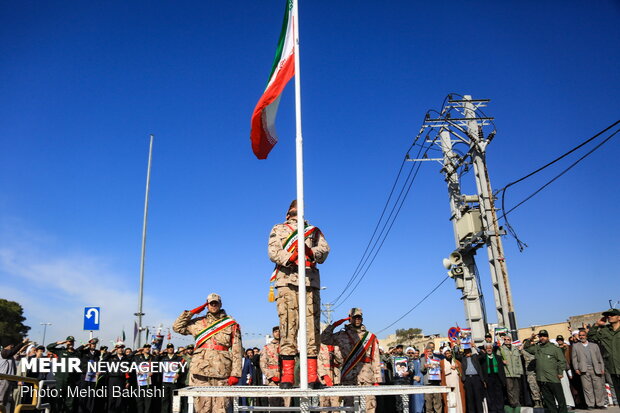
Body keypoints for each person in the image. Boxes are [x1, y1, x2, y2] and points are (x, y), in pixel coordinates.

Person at [268, 199, 330, 388]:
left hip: (309, 282)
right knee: (287, 325)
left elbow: (325, 250)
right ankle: (287, 376)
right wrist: (291, 257)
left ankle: (311, 376)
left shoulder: (313, 231)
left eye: (299, 209)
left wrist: (310, 253)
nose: (296, 212)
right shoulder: (279, 229)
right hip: (287, 282)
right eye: (293, 210)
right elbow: (273, 251)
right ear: (287, 214)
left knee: (311, 328)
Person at [172, 293, 243, 413]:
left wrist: (235, 373)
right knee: (202, 408)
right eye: (211, 303)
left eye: (216, 303)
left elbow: (237, 349)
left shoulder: (230, 323)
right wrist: (191, 313)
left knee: (221, 408)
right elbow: (177, 327)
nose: (213, 305)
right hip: (200, 371)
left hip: (222, 372)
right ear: (207, 305)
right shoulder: (197, 322)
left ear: (220, 304)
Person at [321, 308, 380, 413]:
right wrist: (334, 325)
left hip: (366, 373)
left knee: (370, 404)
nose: (357, 319)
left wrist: (377, 379)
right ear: (350, 319)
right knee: (349, 405)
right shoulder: (341, 335)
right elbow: (323, 339)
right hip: (349, 372)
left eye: (359, 317)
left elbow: (375, 358)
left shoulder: (370, 336)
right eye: (354, 317)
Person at [524, 330, 568, 413]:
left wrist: (560, 372)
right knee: (549, 400)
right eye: (540, 336)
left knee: (560, 399)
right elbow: (526, 348)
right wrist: (530, 339)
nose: (542, 338)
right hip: (542, 378)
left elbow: (561, 361)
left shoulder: (554, 348)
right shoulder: (537, 348)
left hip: (553, 377)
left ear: (547, 337)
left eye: (544, 336)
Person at [587, 308, 620, 398]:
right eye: (607, 315)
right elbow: (590, 337)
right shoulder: (604, 331)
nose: (609, 316)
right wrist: (597, 325)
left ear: (619, 317)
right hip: (613, 369)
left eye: (612, 315)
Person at [572, 330, 606, 409]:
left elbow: (599, 358)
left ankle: (600, 404)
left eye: (583, 335)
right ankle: (590, 404)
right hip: (584, 370)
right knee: (587, 388)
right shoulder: (576, 346)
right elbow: (574, 358)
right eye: (580, 335)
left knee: (598, 387)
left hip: (595, 369)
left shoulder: (594, 345)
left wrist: (602, 368)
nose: (581, 337)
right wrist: (576, 368)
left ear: (586, 336)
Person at [47, 336, 81, 413]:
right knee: (57, 400)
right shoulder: (61, 351)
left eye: (72, 342)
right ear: (66, 342)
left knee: (69, 402)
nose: (70, 343)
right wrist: (58, 343)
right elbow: (49, 347)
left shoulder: (77, 353)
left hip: (71, 381)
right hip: (60, 380)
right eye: (69, 341)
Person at [260, 326, 290, 410]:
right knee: (274, 404)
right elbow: (263, 363)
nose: (278, 333)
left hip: (285, 377)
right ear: (273, 333)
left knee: (286, 404)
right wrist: (270, 376)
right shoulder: (266, 347)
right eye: (276, 331)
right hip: (272, 380)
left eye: (279, 331)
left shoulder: (287, 347)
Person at [0, 338, 30, 411]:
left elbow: (16, 354)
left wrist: (23, 347)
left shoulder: (9, 355)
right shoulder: (4, 352)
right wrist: (22, 343)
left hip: (8, 380)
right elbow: (13, 352)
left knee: (4, 401)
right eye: (11, 345)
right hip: (4, 379)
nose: (12, 346)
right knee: (1, 400)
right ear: (7, 345)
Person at [498, 334, 524, 411]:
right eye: (505, 339)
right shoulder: (501, 349)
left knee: (517, 388)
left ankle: (517, 401)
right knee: (510, 389)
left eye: (508, 339)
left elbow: (518, 361)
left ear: (511, 340)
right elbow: (497, 359)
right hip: (507, 372)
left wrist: (520, 371)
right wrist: (502, 361)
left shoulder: (515, 349)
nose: (506, 341)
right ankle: (513, 403)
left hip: (516, 372)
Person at [76, 337, 101, 413]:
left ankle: (89, 410)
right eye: (92, 343)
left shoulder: (97, 353)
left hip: (93, 376)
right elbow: (77, 351)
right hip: (84, 375)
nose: (93, 345)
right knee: (83, 394)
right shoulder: (84, 352)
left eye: (94, 344)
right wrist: (84, 345)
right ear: (89, 344)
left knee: (91, 395)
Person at [101, 341, 127, 413]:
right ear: (116, 349)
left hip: (121, 379)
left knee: (120, 398)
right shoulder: (111, 357)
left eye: (122, 348)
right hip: (112, 379)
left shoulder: (126, 358)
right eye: (118, 348)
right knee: (112, 398)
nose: (120, 349)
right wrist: (110, 352)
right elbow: (103, 360)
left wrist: (127, 381)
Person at [480, 343, 506, 413]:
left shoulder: (498, 357)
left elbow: (501, 370)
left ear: (492, 349)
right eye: (487, 348)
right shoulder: (483, 358)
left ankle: (500, 409)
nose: (489, 349)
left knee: (499, 394)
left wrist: (503, 380)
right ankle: (493, 410)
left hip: (497, 378)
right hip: (488, 378)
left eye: (490, 348)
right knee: (491, 395)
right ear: (485, 350)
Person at [457, 347, 484, 413]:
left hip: (476, 378)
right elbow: (456, 355)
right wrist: (457, 345)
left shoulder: (475, 357)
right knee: (469, 398)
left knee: (478, 397)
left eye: (469, 351)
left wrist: (475, 346)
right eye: (466, 352)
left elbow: (483, 355)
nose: (468, 353)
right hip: (467, 379)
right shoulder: (463, 358)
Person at [318, 343, 342, 412]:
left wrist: (334, 354)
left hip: (335, 380)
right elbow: (318, 363)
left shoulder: (336, 346)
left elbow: (341, 361)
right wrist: (325, 376)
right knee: (324, 406)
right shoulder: (320, 347)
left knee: (336, 406)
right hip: (324, 382)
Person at [159, 343, 183, 413]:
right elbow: (158, 367)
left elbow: (182, 367)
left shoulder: (178, 358)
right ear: (167, 349)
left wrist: (179, 373)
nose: (170, 349)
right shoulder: (163, 358)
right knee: (164, 399)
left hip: (174, 381)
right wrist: (160, 353)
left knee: (174, 399)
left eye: (171, 347)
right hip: (165, 381)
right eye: (169, 347)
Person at [440, 347, 465, 413]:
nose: (449, 354)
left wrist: (458, 367)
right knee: (449, 399)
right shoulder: (442, 362)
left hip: (457, 384)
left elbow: (461, 373)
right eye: (447, 353)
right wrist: (450, 367)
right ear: (444, 355)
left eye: (449, 353)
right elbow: (441, 372)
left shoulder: (456, 362)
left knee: (458, 398)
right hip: (448, 383)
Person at [408, 348, 425, 413]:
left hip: (421, 383)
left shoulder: (421, 361)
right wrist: (413, 377)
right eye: (415, 353)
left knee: (421, 400)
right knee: (414, 400)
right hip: (413, 383)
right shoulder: (410, 362)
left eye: (417, 353)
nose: (416, 355)